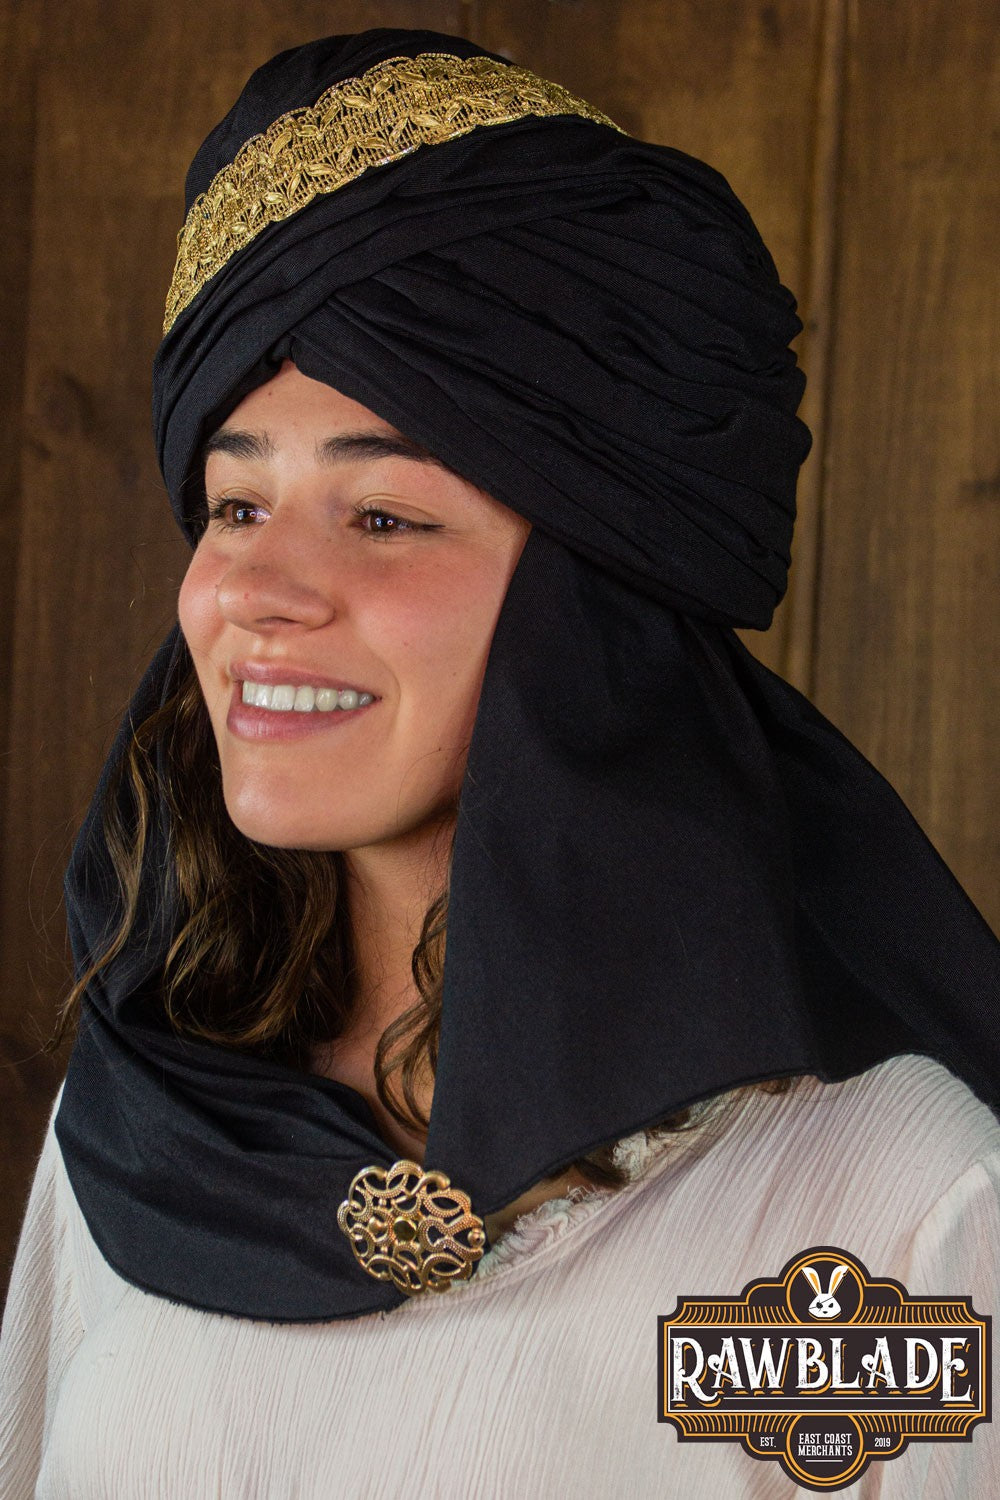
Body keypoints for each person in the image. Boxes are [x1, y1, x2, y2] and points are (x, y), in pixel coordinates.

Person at [1, 27, 998, 1498]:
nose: (253, 594)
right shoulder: (142, 1120)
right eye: (234, 506)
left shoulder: (885, 1198)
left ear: (600, 594)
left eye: (384, 517)